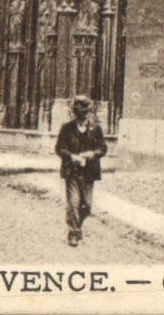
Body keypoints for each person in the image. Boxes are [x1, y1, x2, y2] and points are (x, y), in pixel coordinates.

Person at [54, 94, 108, 247]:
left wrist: (92, 154)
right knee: (73, 203)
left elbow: (103, 148)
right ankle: (74, 232)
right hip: (72, 171)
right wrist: (71, 156)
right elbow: (59, 148)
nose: (81, 116)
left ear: (89, 112)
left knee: (86, 205)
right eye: (78, 113)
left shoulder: (96, 129)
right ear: (75, 113)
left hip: (89, 172)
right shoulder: (67, 128)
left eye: (84, 113)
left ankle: (78, 226)